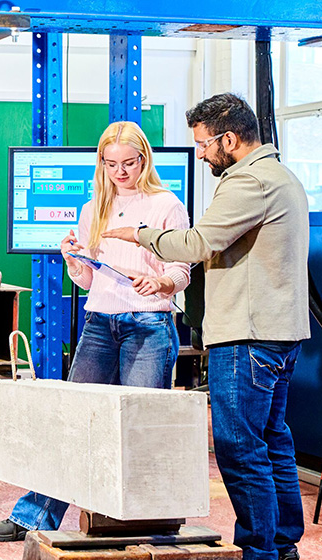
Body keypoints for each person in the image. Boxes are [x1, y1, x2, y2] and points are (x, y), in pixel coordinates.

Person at [103, 93, 309, 560]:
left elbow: (197, 243)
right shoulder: (281, 176)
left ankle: (261, 552)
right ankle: (281, 545)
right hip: (280, 334)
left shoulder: (248, 182)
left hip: (248, 335)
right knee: (271, 440)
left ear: (229, 139)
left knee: (239, 450)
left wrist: (137, 233)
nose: (199, 153)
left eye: (203, 144)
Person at [0, 120, 191, 542]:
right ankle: (33, 517)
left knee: (139, 430)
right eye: (110, 164)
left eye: (128, 163)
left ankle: (141, 525)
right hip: (99, 323)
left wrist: (164, 283)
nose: (120, 172)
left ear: (143, 159)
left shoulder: (167, 205)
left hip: (149, 327)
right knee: (73, 424)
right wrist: (73, 260)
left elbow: (181, 270)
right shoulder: (94, 206)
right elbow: (89, 281)